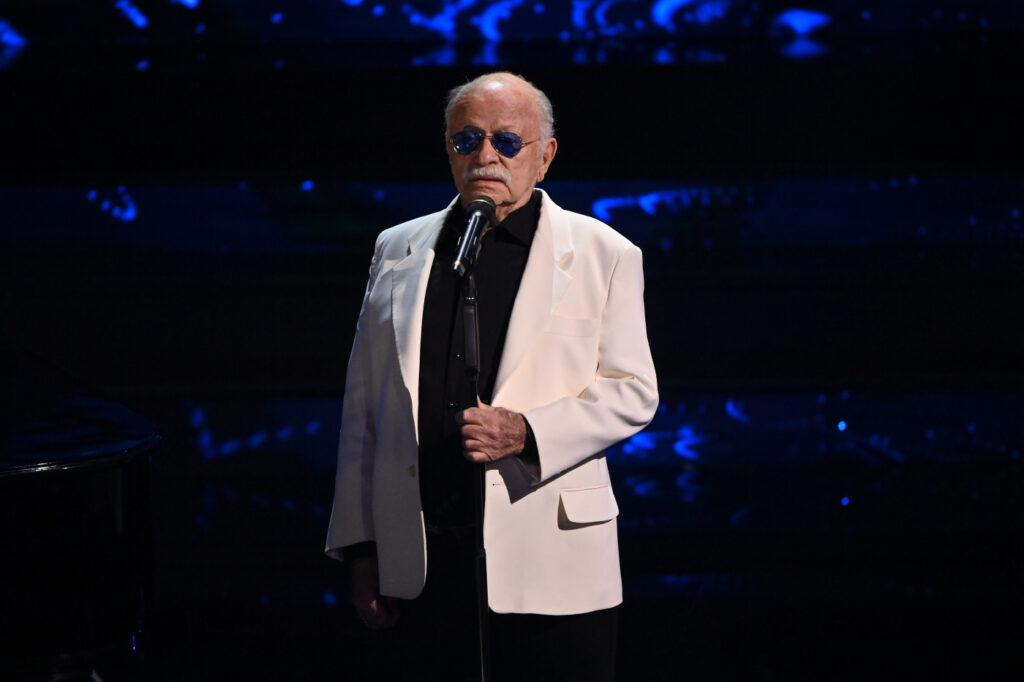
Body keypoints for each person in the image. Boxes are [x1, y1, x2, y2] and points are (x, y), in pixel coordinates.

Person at [325, 72, 658, 681]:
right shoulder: (397, 248)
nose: (486, 156)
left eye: (507, 141)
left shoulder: (604, 252)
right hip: (421, 561)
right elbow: (362, 411)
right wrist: (362, 549)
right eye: (468, 140)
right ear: (448, 149)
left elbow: (633, 391)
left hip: (554, 561)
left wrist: (527, 430)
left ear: (544, 156)